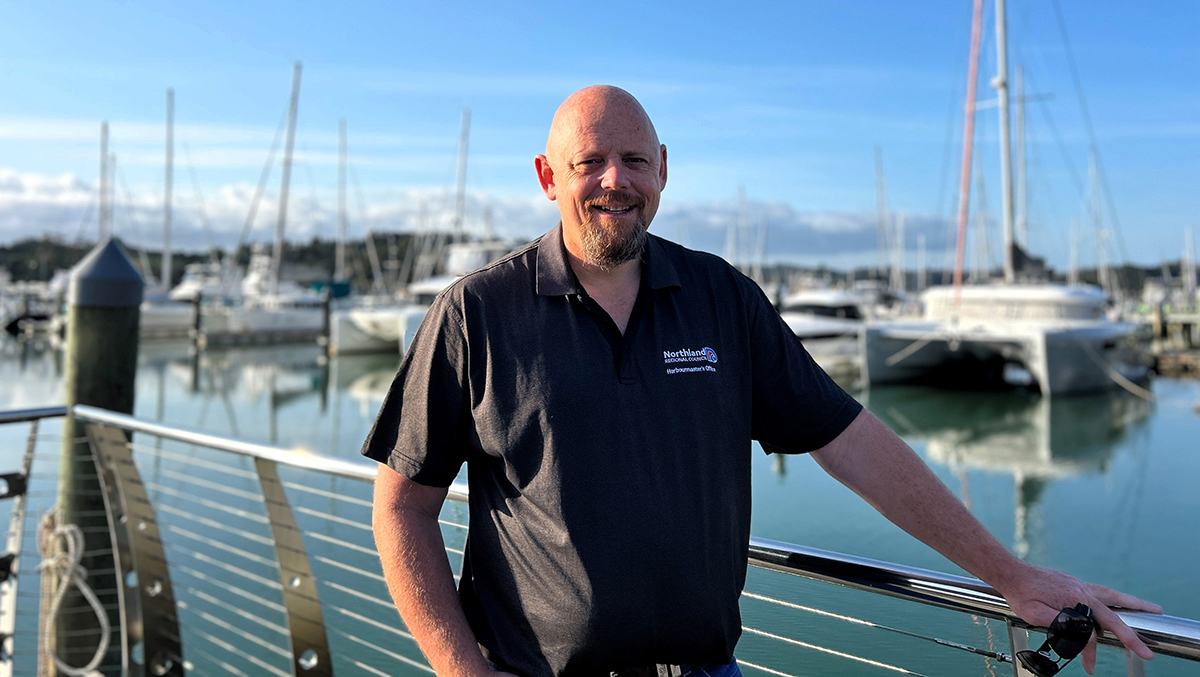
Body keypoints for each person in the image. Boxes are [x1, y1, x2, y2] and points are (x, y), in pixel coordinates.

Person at [364, 85, 1160, 677]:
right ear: (548, 176)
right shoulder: (475, 312)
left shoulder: (723, 301)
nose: (616, 179)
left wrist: (1013, 575)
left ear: (664, 170)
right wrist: (458, 666)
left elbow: (852, 443)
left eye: (635, 159)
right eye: (590, 162)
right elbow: (403, 508)